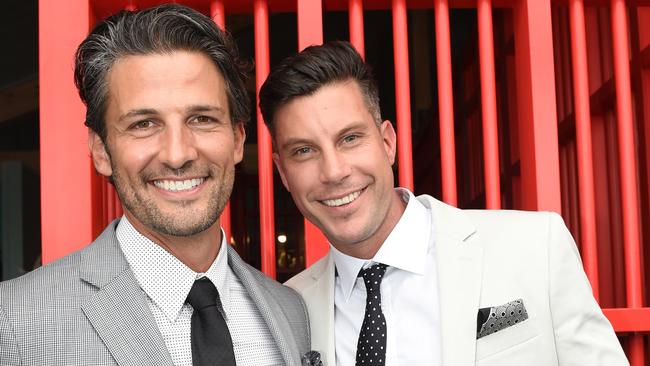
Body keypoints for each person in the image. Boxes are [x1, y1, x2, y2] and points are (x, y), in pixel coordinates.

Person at [259, 41, 628, 366]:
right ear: (283, 172)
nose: (334, 171)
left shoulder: (535, 246)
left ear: (388, 142)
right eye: (304, 151)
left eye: (351, 138)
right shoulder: (290, 308)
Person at [0, 4, 310, 366]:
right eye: (144, 124)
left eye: (202, 118)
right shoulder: (15, 322)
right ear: (101, 150)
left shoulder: (290, 312)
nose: (177, 154)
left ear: (238, 139)